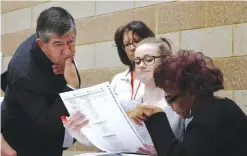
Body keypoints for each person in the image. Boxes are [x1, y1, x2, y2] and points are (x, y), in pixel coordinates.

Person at [63, 21, 184, 156]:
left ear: (166, 61)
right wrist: (77, 131)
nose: (141, 65)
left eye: (148, 59)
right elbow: (103, 139)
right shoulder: (128, 106)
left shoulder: (180, 108)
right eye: (137, 61)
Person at [128, 50, 247, 156]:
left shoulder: (207, 120)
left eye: (170, 98)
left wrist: (156, 115)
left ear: (190, 90)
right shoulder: (221, 106)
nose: (169, 105)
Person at [1, 7, 82, 156]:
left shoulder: (52, 38)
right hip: (23, 142)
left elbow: (71, 72)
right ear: (41, 44)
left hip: (52, 137)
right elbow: (47, 122)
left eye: (71, 41)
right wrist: (71, 87)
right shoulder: (23, 73)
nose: (68, 51)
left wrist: (69, 70)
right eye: (58, 45)